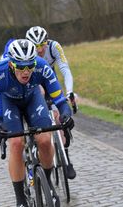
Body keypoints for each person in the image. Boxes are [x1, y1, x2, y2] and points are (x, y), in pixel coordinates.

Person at [0, 39, 74, 207]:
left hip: (33, 98)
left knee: (45, 140)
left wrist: (65, 115)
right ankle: (20, 200)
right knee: (16, 144)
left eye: (30, 66)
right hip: (9, 102)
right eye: (21, 67)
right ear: (11, 64)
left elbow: (61, 102)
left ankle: (46, 186)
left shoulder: (41, 66)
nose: (26, 71)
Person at [25, 26, 77, 179]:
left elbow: (65, 69)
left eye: (42, 44)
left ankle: (65, 156)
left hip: (49, 80)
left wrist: (70, 91)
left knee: (60, 118)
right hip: (35, 84)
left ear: (47, 41)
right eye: (36, 46)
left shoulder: (54, 47)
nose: (40, 49)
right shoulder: (28, 53)